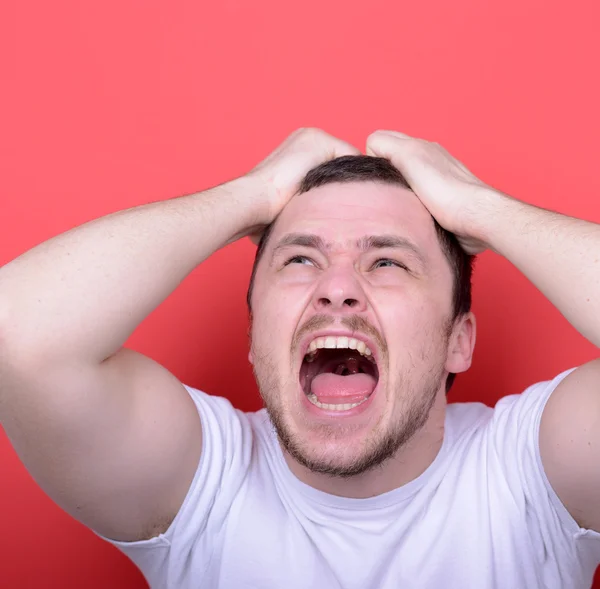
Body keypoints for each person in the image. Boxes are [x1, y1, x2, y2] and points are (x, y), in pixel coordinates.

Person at [1, 128, 599, 589]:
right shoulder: (203, 483)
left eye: (387, 262)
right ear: (256, 331)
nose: (336, 288)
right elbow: (16, 335)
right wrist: (250, 195)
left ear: (458, 340)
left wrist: (481, 208)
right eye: (299, 260)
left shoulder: (529, 475)